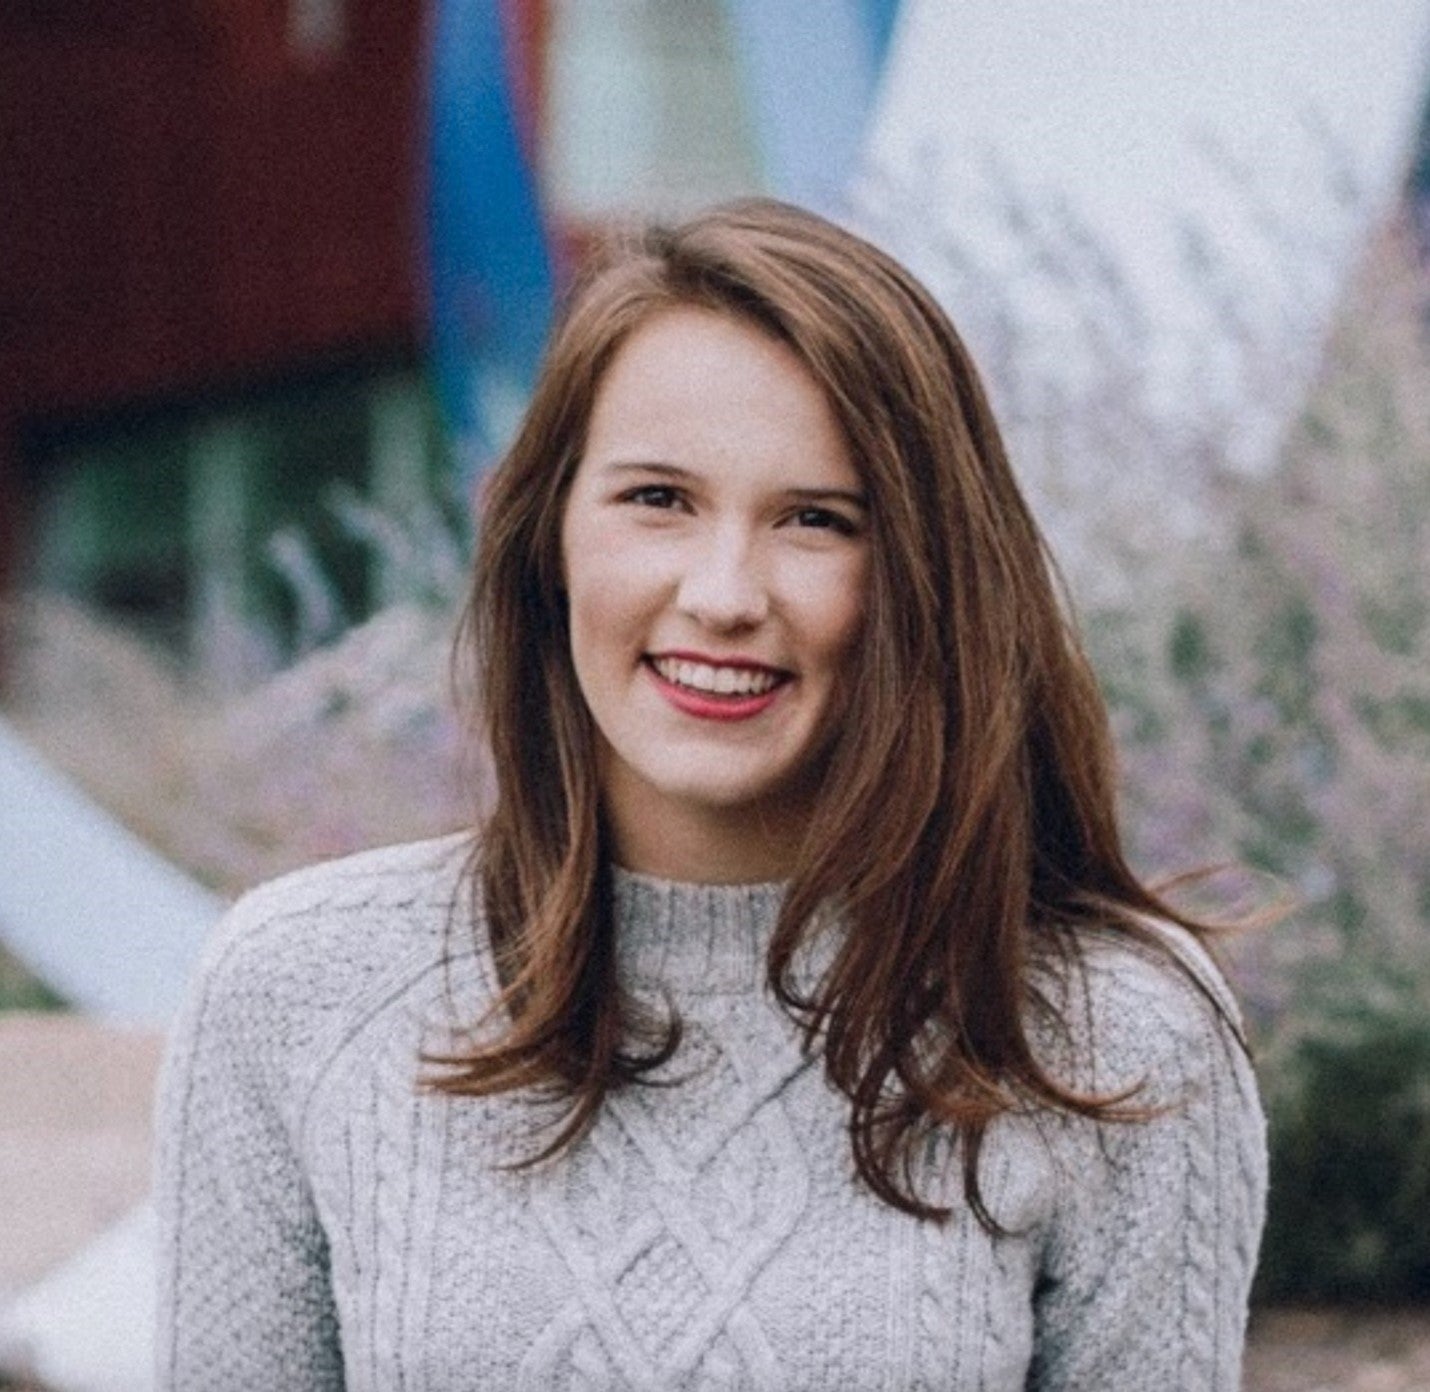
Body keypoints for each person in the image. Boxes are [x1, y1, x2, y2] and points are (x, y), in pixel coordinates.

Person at [155, 199, 1267, 1390]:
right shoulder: (296, 989)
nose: (724, 594)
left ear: (925, 578)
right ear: (550, 539)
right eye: (657, 500)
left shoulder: (1114, 1039)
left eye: (814, 521)